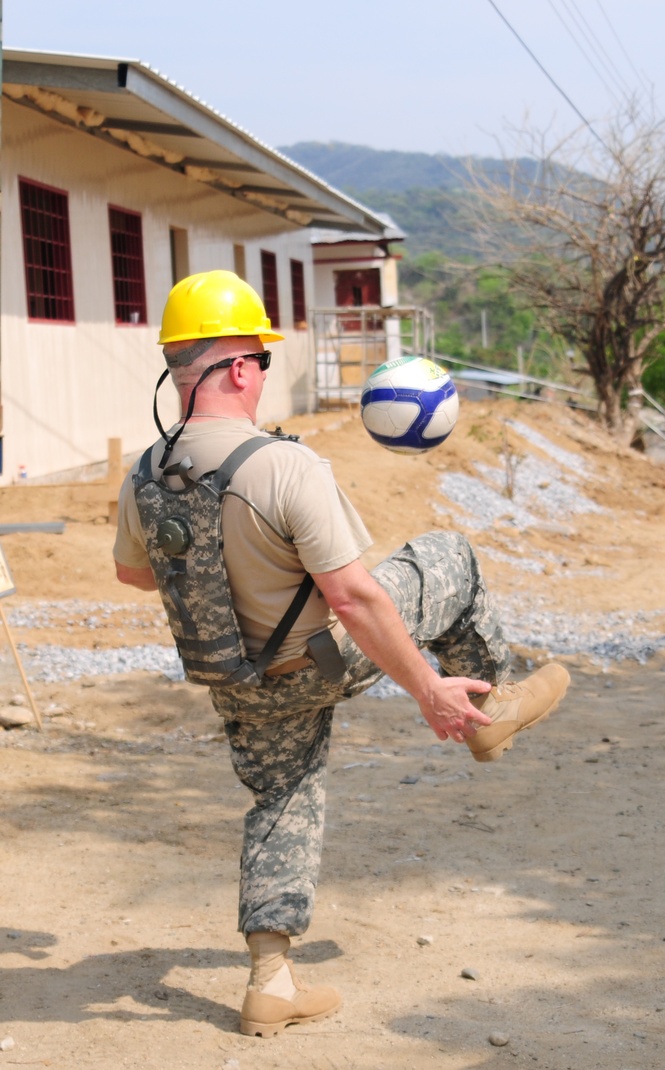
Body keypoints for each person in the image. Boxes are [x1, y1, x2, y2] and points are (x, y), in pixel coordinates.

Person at [113, 270, 570, 1038]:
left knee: (280, 801)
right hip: (325, 658)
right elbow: (356, 600)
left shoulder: (144, 473)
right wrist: (427, 688)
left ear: (177, 369)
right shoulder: (283, 465)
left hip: (242, 681)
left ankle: (270, 980)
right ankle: (492, 709)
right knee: (446, 556)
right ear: (236, 368)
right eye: (259, 357)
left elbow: (134, 572)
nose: (262, 372)